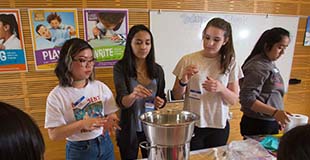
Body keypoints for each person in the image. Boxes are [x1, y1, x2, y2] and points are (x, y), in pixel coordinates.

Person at [172, 17, 242, 151]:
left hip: (218, 125)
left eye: (216, 40)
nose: (209, 43)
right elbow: (176, 96)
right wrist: (183, 80)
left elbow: (234, 99)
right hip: (192, 125)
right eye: (207, 37)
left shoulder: (231, 62)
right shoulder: (188, 59)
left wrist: (221, 88)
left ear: (225, 41)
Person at [45, 38, 120, 160]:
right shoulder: (57, 95)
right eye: (82, 60)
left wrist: (112, 119)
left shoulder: (100, 87)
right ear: (67, 61)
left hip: (104, 143)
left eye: (91, 60)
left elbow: (110, 113)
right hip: (80, 150)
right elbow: (54, 134)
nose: (89, 65)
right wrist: (82, 124)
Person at [113, 24, 166, 159]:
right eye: (138, 42)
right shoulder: (121, 68)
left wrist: (161, 102)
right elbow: (121, 101)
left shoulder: (157, 70)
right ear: (130, 43)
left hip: (151, 127)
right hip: (129, 127)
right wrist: (133, 95)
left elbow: (161, 97)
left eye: (147, 43)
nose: (143, 47)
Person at [239, 27, 291, 137]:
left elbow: (272, 94)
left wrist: (278, 115)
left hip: (268, 121)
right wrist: (275, 113)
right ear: (267, 45)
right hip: (258, 124)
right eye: (280, 47)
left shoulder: (269, 63)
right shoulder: (257, 66)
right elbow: (247, 98)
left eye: (285, 48)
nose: (282, 52)